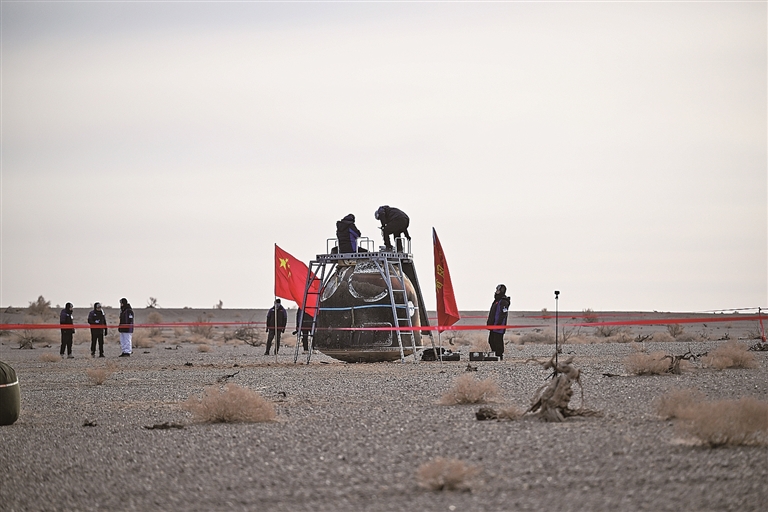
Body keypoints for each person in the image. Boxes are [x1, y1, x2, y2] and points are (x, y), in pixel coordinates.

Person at [486, 284, 510, 360]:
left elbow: (503, 314)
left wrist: (499, 324)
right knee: (491, 340)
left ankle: (499, 355)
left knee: (498, 340)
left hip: (499, 326)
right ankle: (494, 354)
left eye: (498, 290)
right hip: (493, 325)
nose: (496, 292)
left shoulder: (503, 302)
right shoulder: (497, 301)